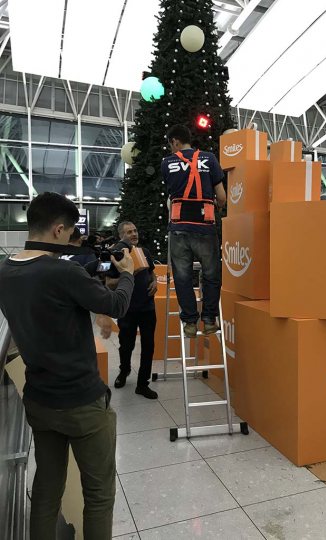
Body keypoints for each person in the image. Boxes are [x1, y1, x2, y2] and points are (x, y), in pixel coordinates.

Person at [0, 192, 135, 540]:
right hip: (81, 402)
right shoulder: (63, 271)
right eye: (71, 230)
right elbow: (115, 305)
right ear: (59, 230)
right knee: (99, 493)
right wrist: (129, 274)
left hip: (40, 399)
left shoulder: (6, 270)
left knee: (47, 488)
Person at [161, 124, 226, 338]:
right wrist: (214, 205)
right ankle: (209, 320)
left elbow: (171, 195)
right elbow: (223, 197)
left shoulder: (166, 163)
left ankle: (189, 323)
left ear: (174, 142)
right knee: (211, 275)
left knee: (182, 276)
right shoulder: (209, 158)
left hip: (179, 229)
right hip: (205, 227)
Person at [107, 221, 158, 399]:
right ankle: (124, 371)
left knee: (148, 346)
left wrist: (155, 282)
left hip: (148, 307)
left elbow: (152, 273)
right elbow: (109, 284)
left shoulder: (144, 252)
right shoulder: (116, 255)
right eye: (129, 232)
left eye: (135, 230)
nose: (134, 234)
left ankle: (143, 384)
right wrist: (129, 273)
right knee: (126, 344)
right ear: (121, 236)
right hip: (127, 308)